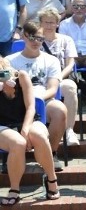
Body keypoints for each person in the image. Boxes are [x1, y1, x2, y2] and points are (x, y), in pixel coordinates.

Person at [8, 21, 67, 171]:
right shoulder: (10, 61)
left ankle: (51, 153)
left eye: (40, 38)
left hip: (43, 100)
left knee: (60, 109)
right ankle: (10, 155)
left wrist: (37, 100)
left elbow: (53, 89)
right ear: (23, 37)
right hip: (17, 103)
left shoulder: (51, 60)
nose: (35, 42)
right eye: (31, 37)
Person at [0, 58, 60, 205]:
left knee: (38, 135)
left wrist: (25, 130)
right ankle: (14, 189)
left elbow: (31, 107)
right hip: (3, 125)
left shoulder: (21, 76)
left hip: (28, 119)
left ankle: (52, 179)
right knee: (18, 143)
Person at [38, 7, 80, 145]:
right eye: (46, 22)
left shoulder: (66, 40)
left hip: (61, 78)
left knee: (70, 86)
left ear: (57, 24)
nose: (49, 26)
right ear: (40, 23)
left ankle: (69, 131)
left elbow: (70, 64)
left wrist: (58, 77)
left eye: (52, 22)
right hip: (39, 81)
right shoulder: (35, 40)